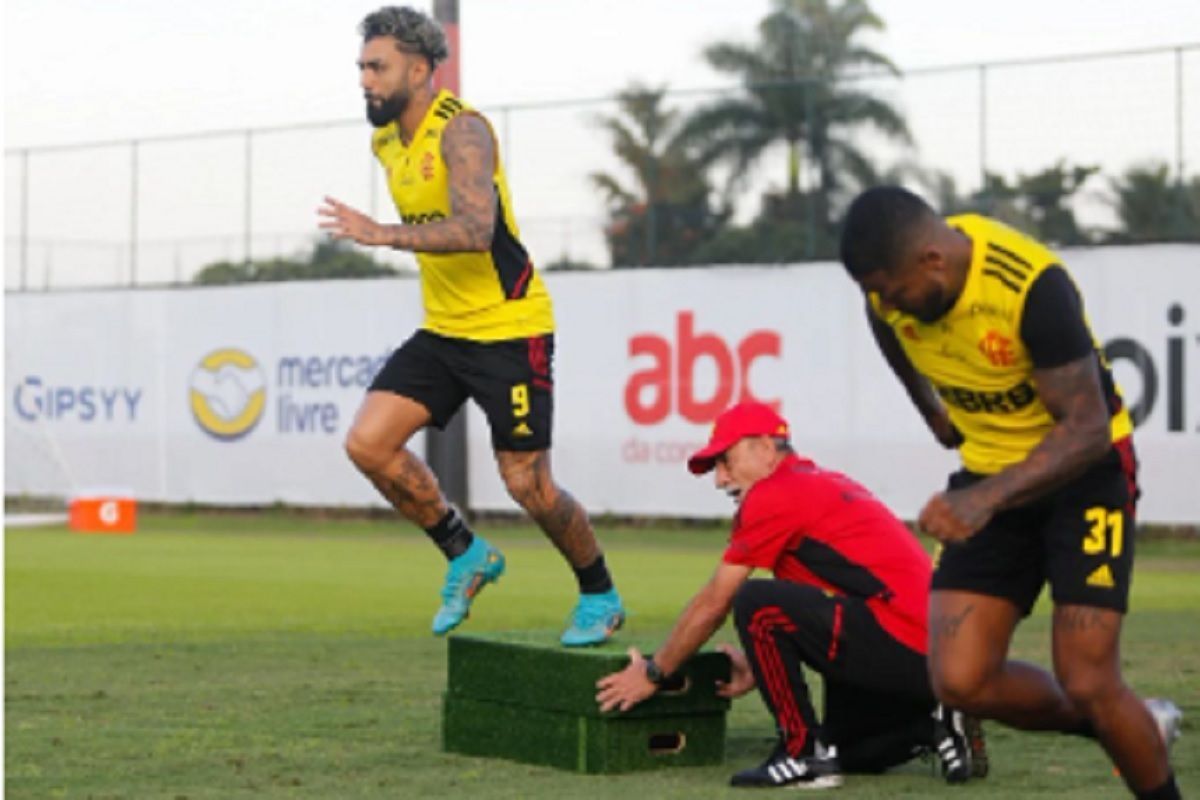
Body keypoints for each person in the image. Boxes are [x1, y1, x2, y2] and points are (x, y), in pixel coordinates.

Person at [839, 186, 1184, 799]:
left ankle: (1122, 728)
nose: (887, 305)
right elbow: (890, 332)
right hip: (989, 476)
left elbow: (1087, 428)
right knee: (960, 680)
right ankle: (1130, 722)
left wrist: (983, 499)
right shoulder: (889, 300)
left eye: (892, 292)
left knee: (1088, 680)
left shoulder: (1029, 288)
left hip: (1085, 474)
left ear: (932, 262)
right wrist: (933, 413)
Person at [317, 6, 624, 646]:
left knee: (527, 485)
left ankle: (600, 593)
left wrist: (382, 234)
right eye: (362, 68)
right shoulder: (384, 140)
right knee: (368, 444)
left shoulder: (463, 131)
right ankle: (465, 552)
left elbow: (476, 230)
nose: (366, 81)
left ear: (422, 69)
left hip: (510, 326)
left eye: (378, 67)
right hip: (446, 330)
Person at [595, 401, 986, 789]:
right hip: (929, 651)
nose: (719, 479)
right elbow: (826, 597)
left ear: (765, 449)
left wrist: (653, 673)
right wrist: (759, 659)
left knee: (754, 601)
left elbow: (715, 601)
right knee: (845, 749)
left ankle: (802, 754)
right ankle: (931, 721)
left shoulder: (775, 493)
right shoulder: (821, 482)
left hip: (908, 640)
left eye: (725, 461)